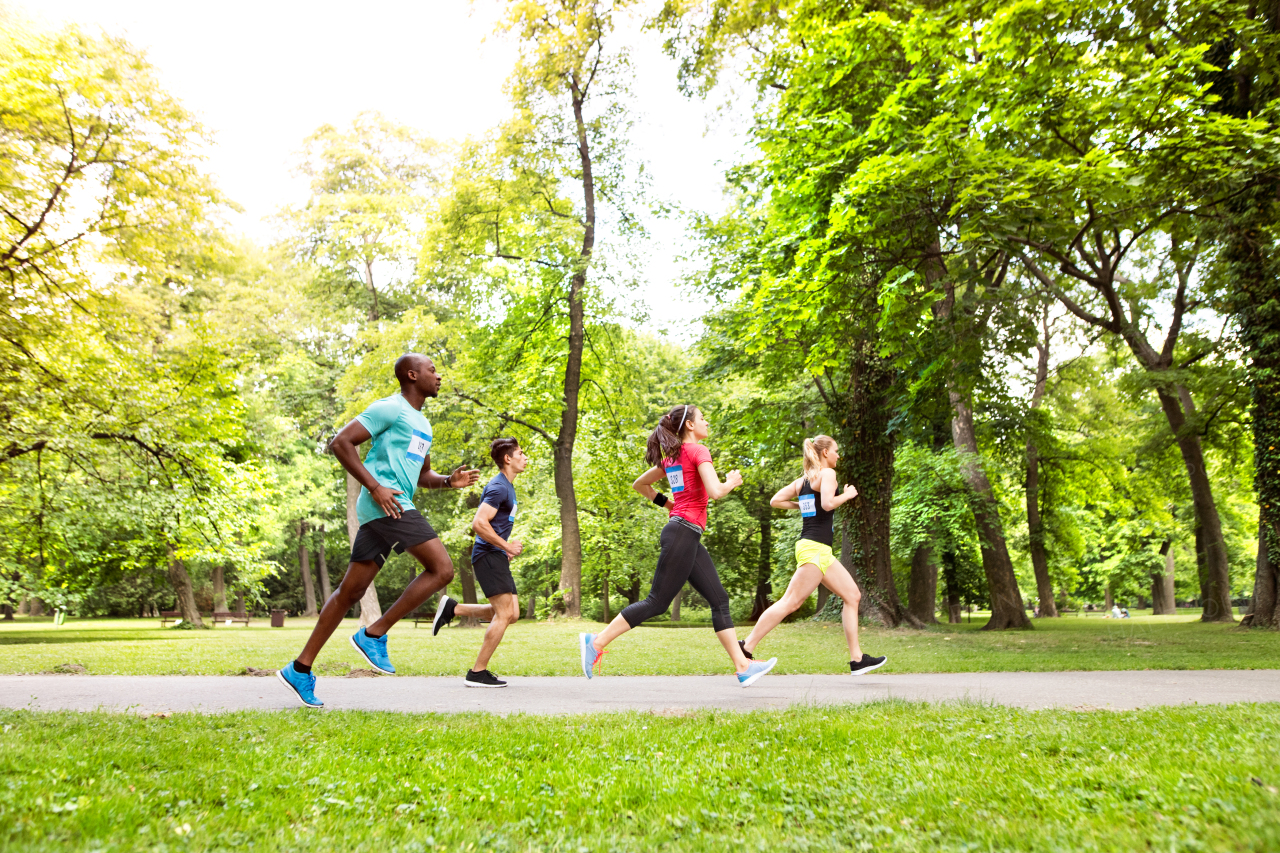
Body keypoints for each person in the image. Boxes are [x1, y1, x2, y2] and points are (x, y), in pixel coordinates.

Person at [276, 353, 480, 708]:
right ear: (412, 375)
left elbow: (421, 476)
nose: (439, 375)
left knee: (348, 593)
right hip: (388, 503)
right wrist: (375, 486)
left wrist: (449, 481)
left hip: (388, 505)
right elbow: (341, 442)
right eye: (432, 370)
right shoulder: (390, 408)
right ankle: (374, 634)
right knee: (442, 569)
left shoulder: (423, 424)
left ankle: (299, 668)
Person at [578, 404, 777, 687]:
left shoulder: (672, 459)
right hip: (683, 532)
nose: (707, 422)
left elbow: (640, 485)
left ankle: (743, 666)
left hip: (685, 532)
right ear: (690, 426)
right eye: (703, 418)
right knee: (657, 602)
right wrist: (731, 481)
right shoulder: (698, 452)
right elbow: (716, 492)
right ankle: (596, 642)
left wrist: (671, 505)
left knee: (719, 599)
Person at [739, 435, 887, 676]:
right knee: (790, 602)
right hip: (814, 548)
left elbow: (776, 500)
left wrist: (801, 506)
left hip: (819, 550)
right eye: (836, 451)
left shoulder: (803, 481)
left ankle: (857, 659)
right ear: (826, 452)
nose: (839, 455)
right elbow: (828, 504)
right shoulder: (827, 474)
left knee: (852, 596)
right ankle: (746, 647)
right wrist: (847, 495)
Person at [431, 437, 528, 687]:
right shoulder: (499, 487)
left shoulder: (507, 486)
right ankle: (477, 673)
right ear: (508, 459)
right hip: (487, 555)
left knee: (512, 614)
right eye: (520, 453)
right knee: (505, 614)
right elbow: (479, 523)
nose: (525, 457)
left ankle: (455, 609)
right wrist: (505, 545)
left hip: (493, 554)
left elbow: (492, 525)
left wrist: (501, 546)